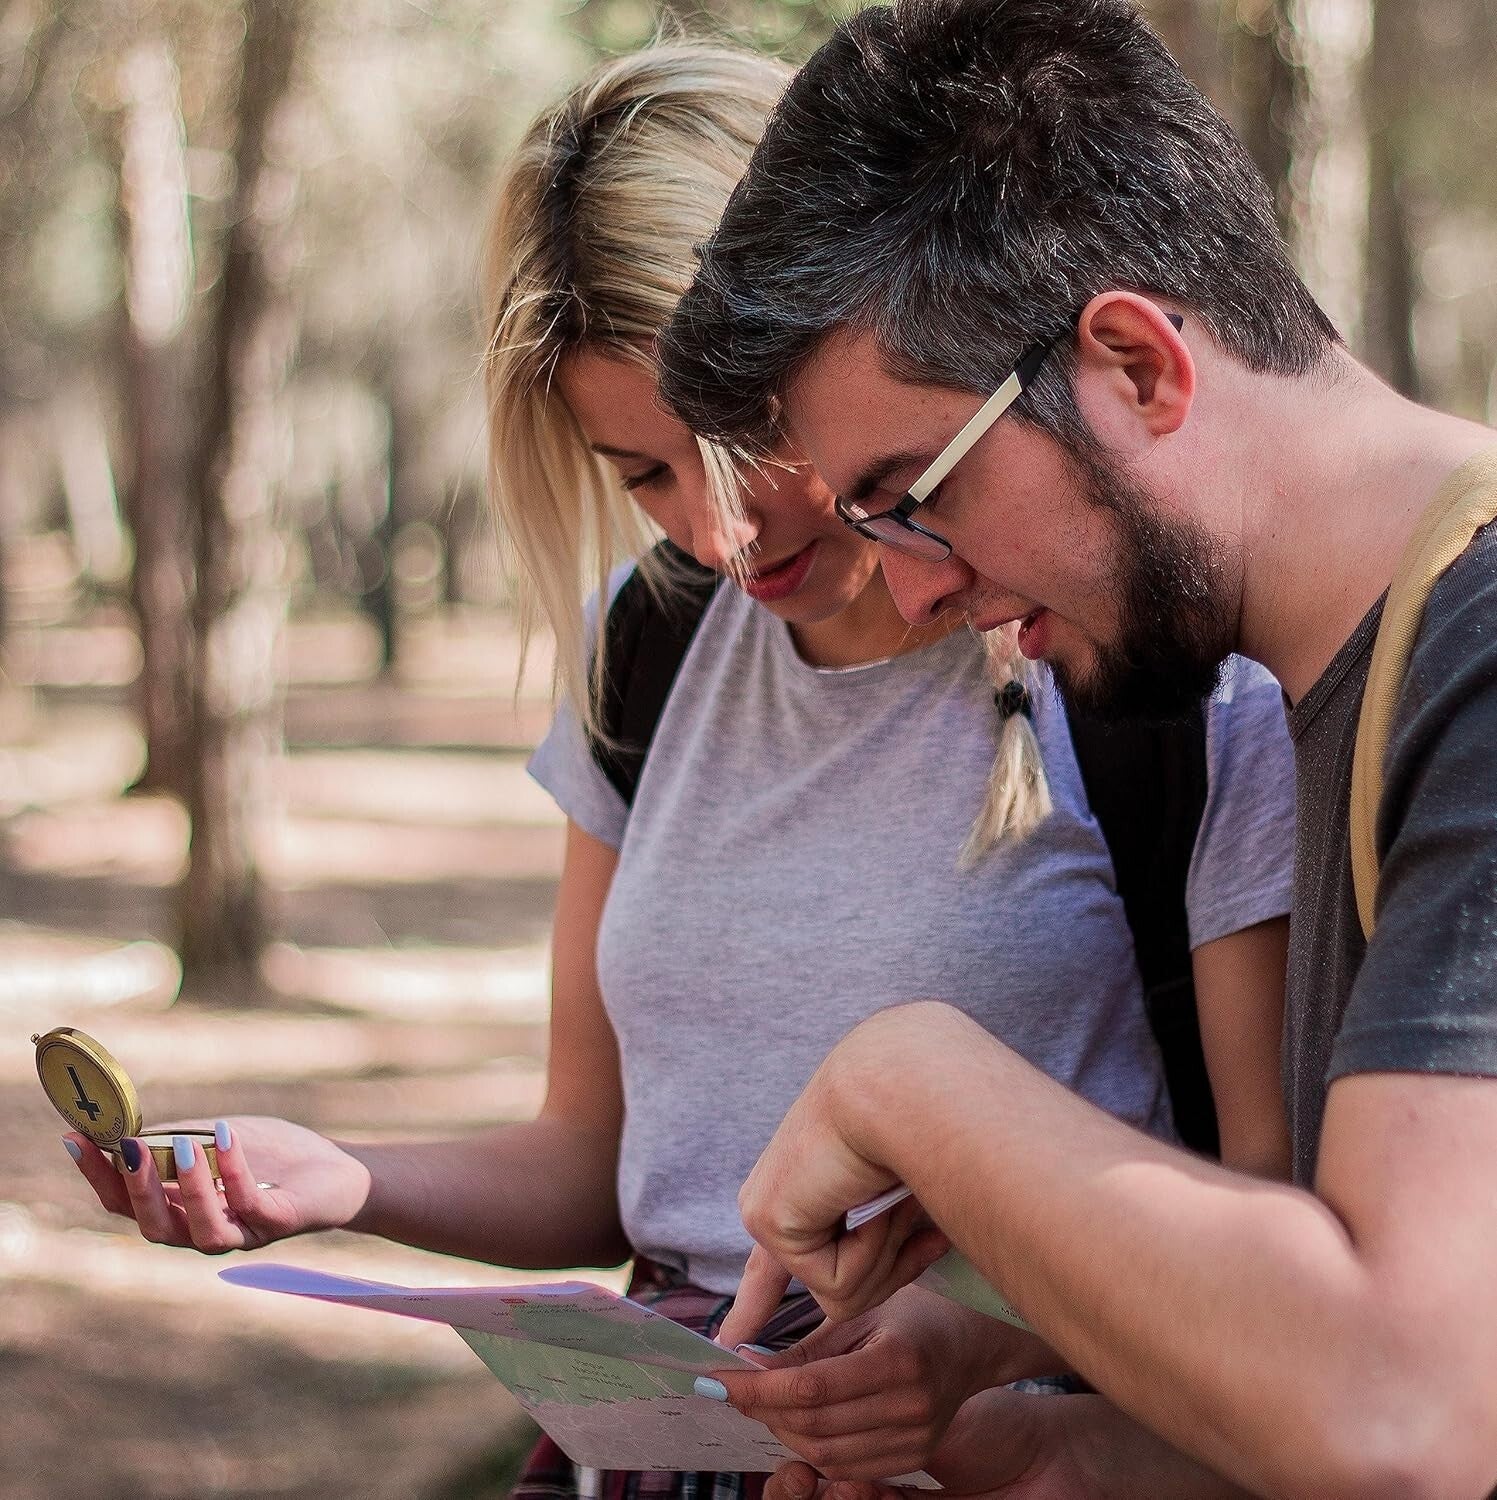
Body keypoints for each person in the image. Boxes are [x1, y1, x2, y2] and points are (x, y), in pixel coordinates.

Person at [65, 38, 1294, 1499]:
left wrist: (968, 1334)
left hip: (1027, 1452)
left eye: (741, 437)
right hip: (663, 1452)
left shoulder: (1138, 666)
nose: (723, 536)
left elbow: (1263, 1213)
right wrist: (342, 1180)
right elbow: (599, 1160)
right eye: (641, 472)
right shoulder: (647, 647)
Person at [655, 2, 1497, 1497]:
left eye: (917, 493)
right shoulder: (1349, 693)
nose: (916, 585)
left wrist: (908, 1079)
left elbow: (1410, 1414)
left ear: (1135, 365)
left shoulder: (1482, 658)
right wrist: (1048, 1450)